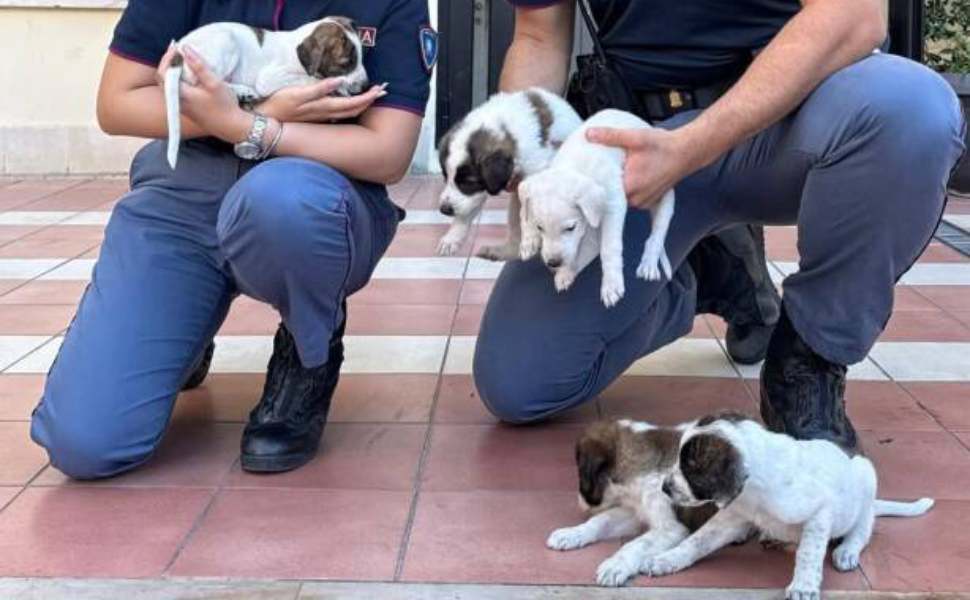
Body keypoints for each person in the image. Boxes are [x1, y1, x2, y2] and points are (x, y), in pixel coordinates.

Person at [474, 0, 967, 451]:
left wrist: (690, 148)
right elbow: (539, 36)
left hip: (786, 122)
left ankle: (810, 360)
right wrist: (521, 147)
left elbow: (854, 15)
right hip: (640, 143)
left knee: (910, 108)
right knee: (520, 383)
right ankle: (704, 274)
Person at [30, 0, 434, 478]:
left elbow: (389, 153)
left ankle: (308, 348)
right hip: (186, 191)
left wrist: (252, 127)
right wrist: (242, 115)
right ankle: (182, 334)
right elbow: (117, 103)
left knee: (284, 201)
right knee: (84, 441)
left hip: (312, 187)